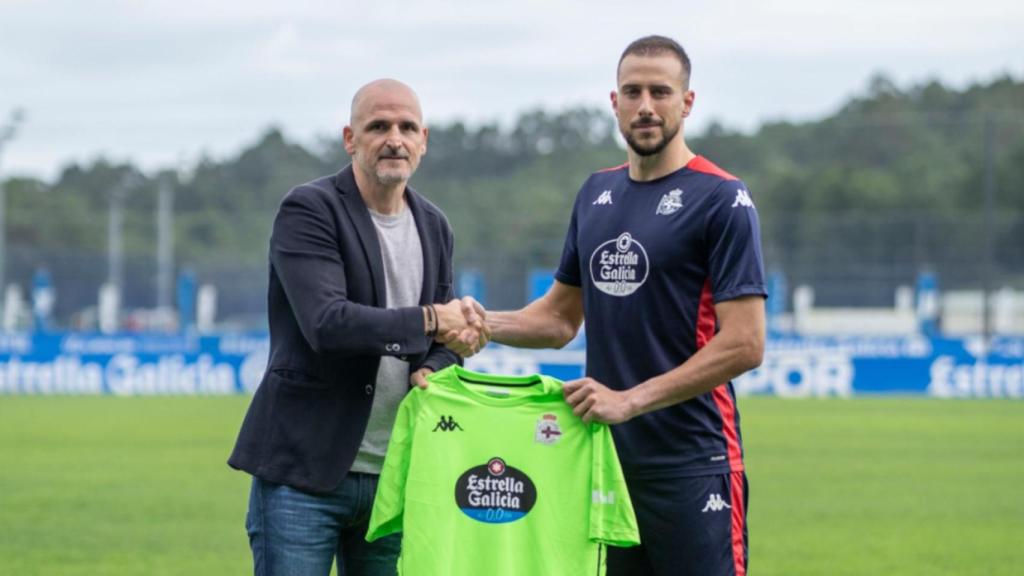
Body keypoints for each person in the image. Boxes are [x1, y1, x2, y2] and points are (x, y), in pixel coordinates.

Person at [482, 36, 766, 576]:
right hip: (605, 466)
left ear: (687, 102)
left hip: (693, 464)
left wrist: (630, 400)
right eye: (632, 91)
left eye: (660, 92)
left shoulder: (723, 200)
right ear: (613, 102)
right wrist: (478, 322)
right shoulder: (595, 193)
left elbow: (745, 343)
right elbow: (560, 318)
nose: (645, 106)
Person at [228, 78, 485, 576]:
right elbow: (327, 323)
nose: (395, 138)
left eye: (408, 127)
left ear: (424, 140)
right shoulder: (309, 210)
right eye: (378, 126)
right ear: (350, 139)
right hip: (303, 474)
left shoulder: (435, 224)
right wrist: (434, 320)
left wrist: (437, 360)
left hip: (397, 474)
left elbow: (443, 341)